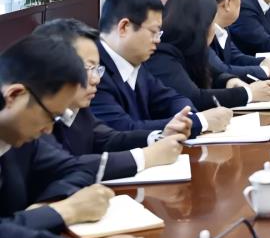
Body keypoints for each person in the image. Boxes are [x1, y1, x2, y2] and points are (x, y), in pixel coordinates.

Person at [0, 34, 147, 238]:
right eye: (50, 116)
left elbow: (75, 168)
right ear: (14, 95)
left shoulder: (21, 136)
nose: (49, 129)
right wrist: (65, 210)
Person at [35, 19, 186, 181]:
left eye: (97, 69)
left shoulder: (79, 109)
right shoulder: (34, 119)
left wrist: (158, 137)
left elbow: (108, 139)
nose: (96, 80)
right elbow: (69, 166)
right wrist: (146, 157)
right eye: (88, 68)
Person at [91, 0, 231, 136]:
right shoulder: (92, 70)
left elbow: (171, 99)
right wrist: (199, 121)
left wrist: (189, 116)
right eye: (153, 32)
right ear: (124, 27)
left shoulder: (135, 63)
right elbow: (122, 129)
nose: (158, 40)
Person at [147, 0, 270, 110]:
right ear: (201, 27)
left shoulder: (190, 47)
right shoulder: (161, 54)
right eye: (212, 22)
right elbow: (195, 98)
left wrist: (230, 81)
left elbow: (214, 74)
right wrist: (248, 93)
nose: (214, 28)